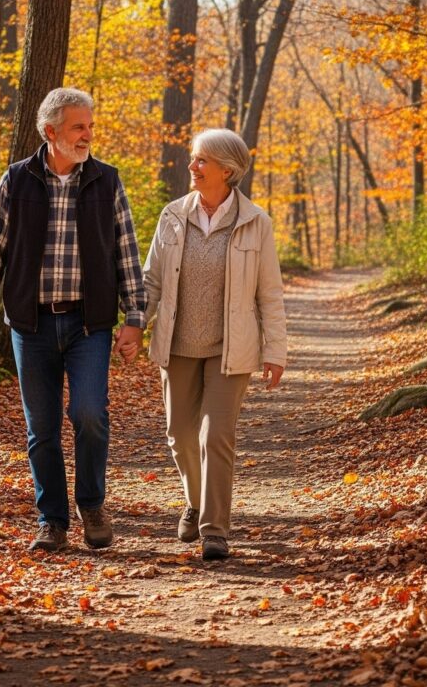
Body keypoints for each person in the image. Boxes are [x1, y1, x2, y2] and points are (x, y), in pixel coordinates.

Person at [0, 87, 145, 552]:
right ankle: (52, 519)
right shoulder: (17, 180)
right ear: (51, 132)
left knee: (89, 414)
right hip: (32, 325)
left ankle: (92, 503)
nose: (88, 135)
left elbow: (126, 251)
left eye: (89, 126)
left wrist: (135, 316)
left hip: (90, 324)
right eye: (78, 127)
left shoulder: (106, 180)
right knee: (40, 427)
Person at [143, 128, 287, 561]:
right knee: (180, 436)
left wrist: (274, 351)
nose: (193, 167)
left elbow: (270, 293)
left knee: (215, 436)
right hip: (178, 342)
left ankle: (215, 530)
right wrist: (134, 325)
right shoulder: (172, 215)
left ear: (228, 170)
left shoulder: (255, 222)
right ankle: (195, 501)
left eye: (201, 160)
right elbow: (151, 281)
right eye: (193, 158)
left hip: (231, 348)